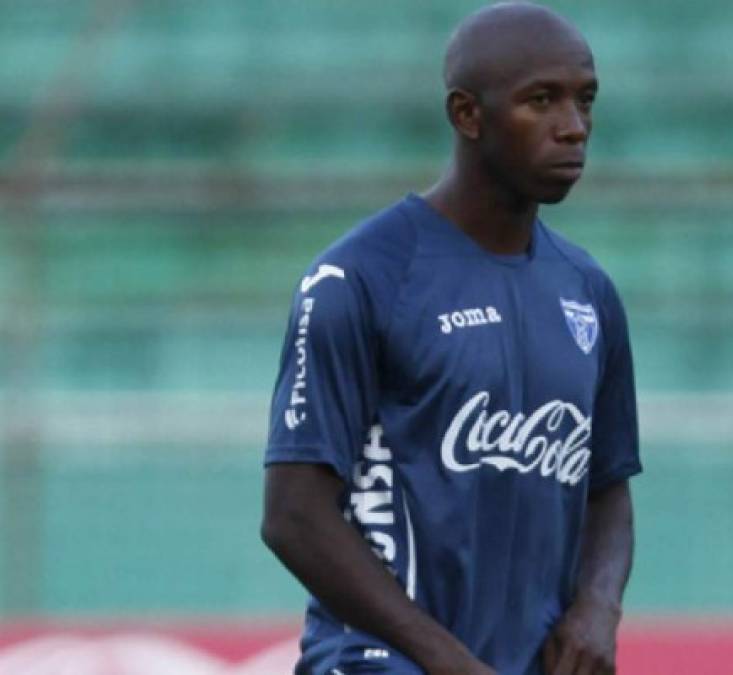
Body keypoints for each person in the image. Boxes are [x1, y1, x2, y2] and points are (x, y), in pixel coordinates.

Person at [261, 3, 641, 674]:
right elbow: (293, 516)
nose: (573, 127)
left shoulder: (586, 290)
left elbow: (606, 488)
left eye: (584, 100)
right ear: (467, 115)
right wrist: (445, 659)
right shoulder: (361, 278)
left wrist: (597, 607)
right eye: (541, 101)